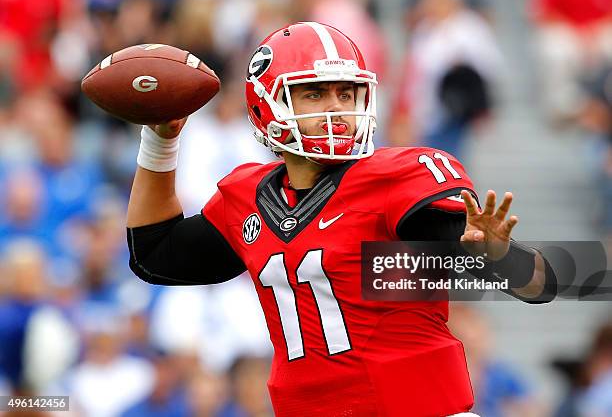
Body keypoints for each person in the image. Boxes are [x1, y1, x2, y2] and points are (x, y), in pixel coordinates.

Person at [125, 22, 557, 416]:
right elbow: (154, 255)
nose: (336, 108)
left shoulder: (396, 178)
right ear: (267, 104)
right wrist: (160, 141)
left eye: (345, 93)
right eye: (315, 93)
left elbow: (545, 285)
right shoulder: (248, 197)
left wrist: (499, 258)